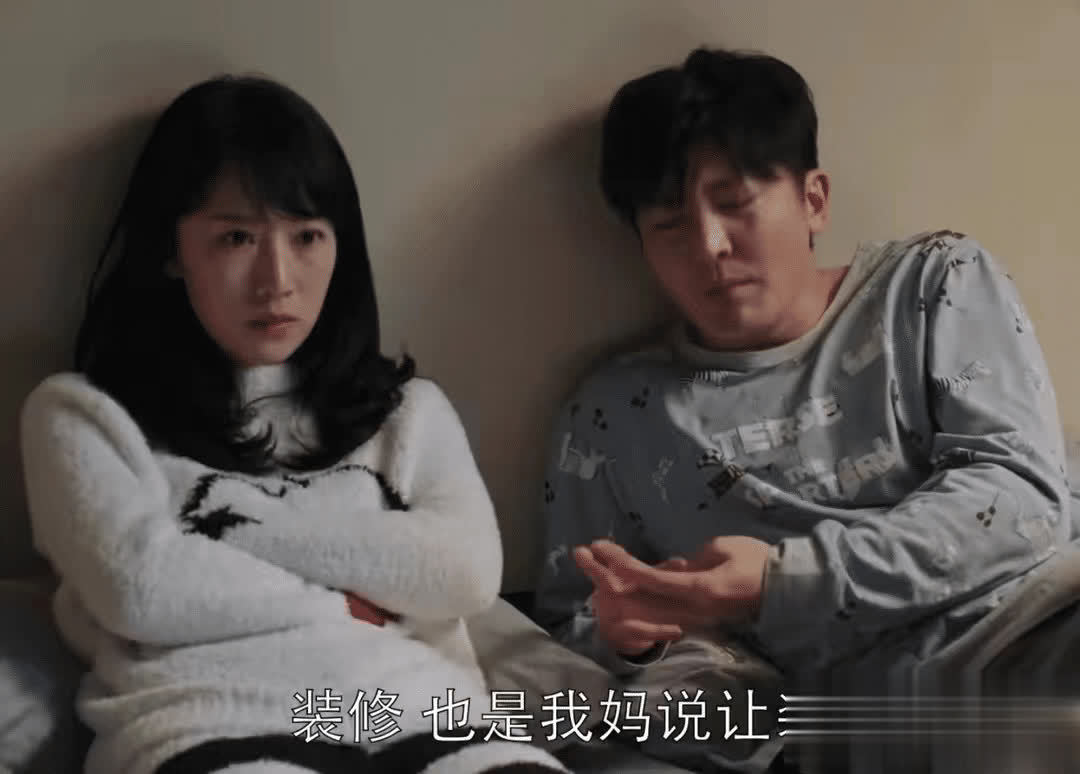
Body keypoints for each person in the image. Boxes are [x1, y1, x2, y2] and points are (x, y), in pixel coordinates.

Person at [533, 47, 1073, 773]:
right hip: (856, 719)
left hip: (1029, 629)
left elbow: (1022, 501)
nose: (710, 246)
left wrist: (781, 582)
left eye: (734, 204)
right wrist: (633, 642)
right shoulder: (613, 417)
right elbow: (574, 631)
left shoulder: (932, 284)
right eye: (670, 225)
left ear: (813, 199)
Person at [20, 75, 568, 774]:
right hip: (208, 721)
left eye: (307, 235)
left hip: (426, 715)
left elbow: (466, 573)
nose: (277, 279)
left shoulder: (406, 411)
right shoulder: (83, 415)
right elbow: (143, 590)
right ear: (170, 249)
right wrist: (346, 602)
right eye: (237, 237)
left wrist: (226, 535)